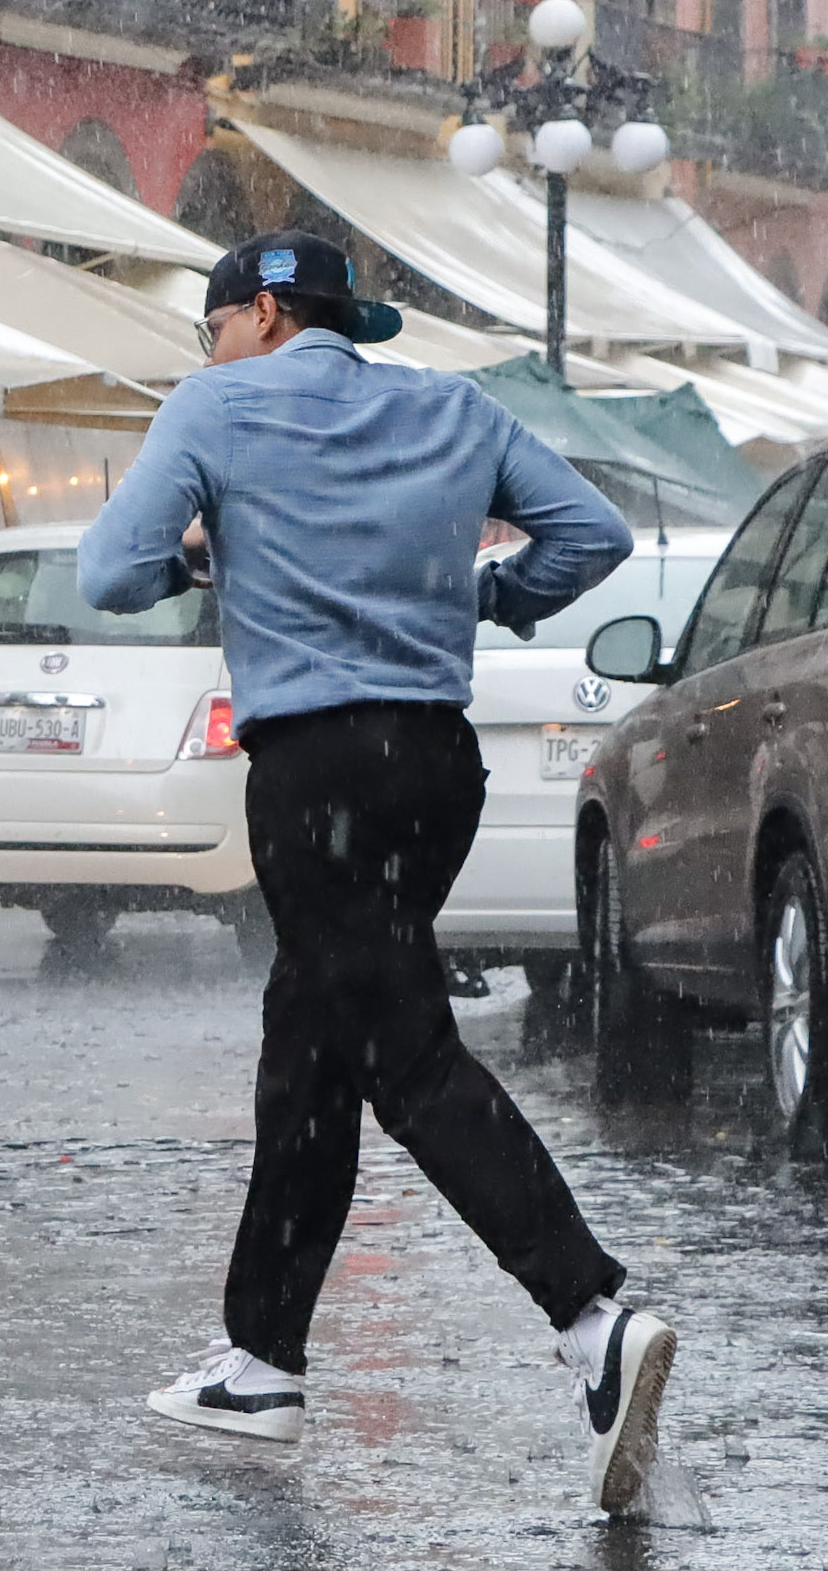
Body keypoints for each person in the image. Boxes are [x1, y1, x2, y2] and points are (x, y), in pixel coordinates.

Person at [77, 233, 671, 1513]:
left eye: (215, 323)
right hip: (434, 769)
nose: (212, 347)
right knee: (312, 1031)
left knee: (400, 1052)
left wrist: (206, 555)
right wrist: (497, 597)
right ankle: (262, 1358)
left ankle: (591, 1316)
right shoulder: (452, 404)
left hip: (315, 773)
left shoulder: (216, 405)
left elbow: (106, 569)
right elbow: (595, 532)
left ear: (268, 311)